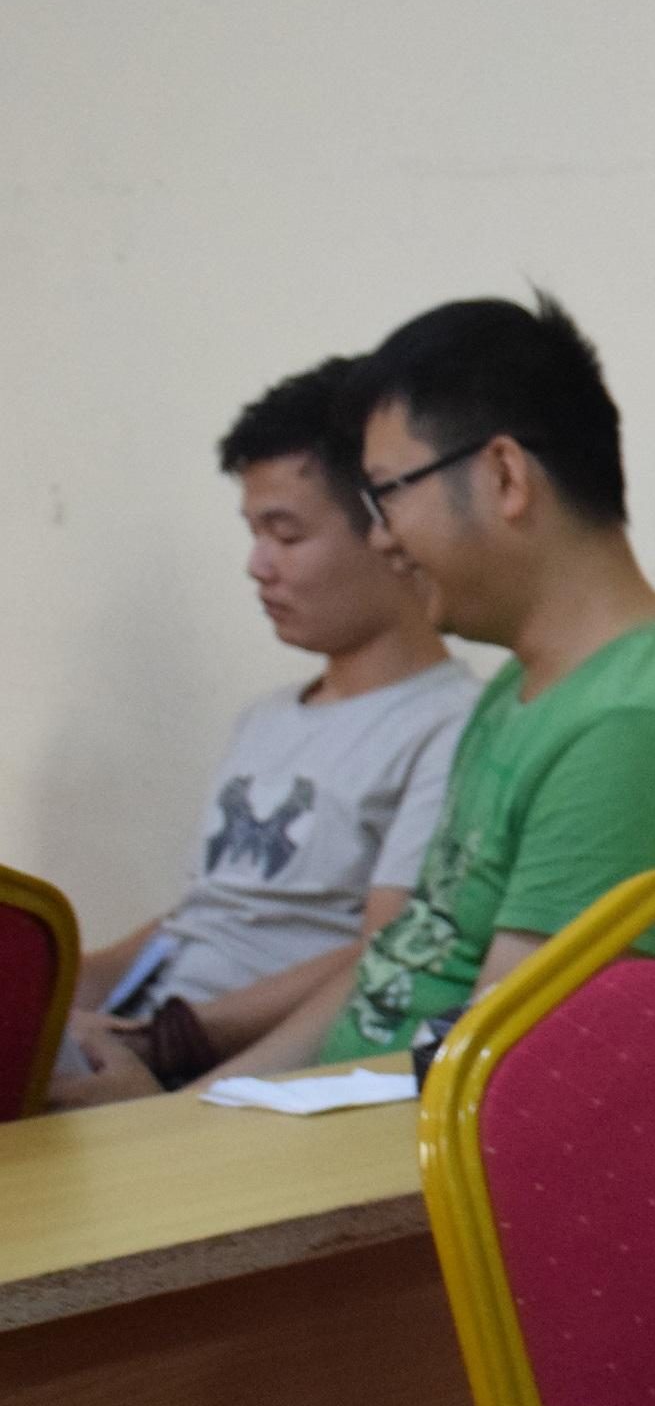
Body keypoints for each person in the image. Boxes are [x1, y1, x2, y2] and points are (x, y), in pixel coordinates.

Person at [182, 295, 655, 1084]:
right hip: (339, 1117)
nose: (381, 537)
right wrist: (207, 1101)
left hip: (400, 1150)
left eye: (389, 492)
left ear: (505, 476)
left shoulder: (632, 725)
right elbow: (394, 965)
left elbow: (512, 1079)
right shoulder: (522, 687)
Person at [52, 358, 481, 1107]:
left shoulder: (448, 724)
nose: (258, 567)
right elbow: (204, 918)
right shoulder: (266, 719)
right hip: (147, 1027)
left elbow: (385, 955)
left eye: (286, 534)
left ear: (388, 530)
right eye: (253, 534)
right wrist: (55, 993)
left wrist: (170, 1045)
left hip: (229, 1066)